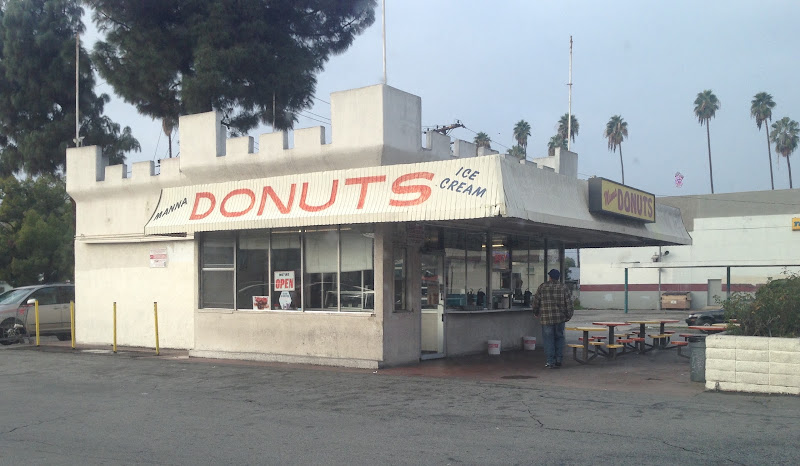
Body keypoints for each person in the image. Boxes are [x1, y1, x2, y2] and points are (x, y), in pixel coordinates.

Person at [532, 268, 574, 368]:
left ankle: (550, 361)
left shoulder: (542, 287)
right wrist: (568, 315)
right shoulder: (564, 287)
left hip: (546, 319)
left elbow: (536, 302)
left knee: (548, 340)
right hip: (560, 318)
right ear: (558, 277)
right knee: (559, 338)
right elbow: (569, 303)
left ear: (550, 277)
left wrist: (536, 312)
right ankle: (559, 359)